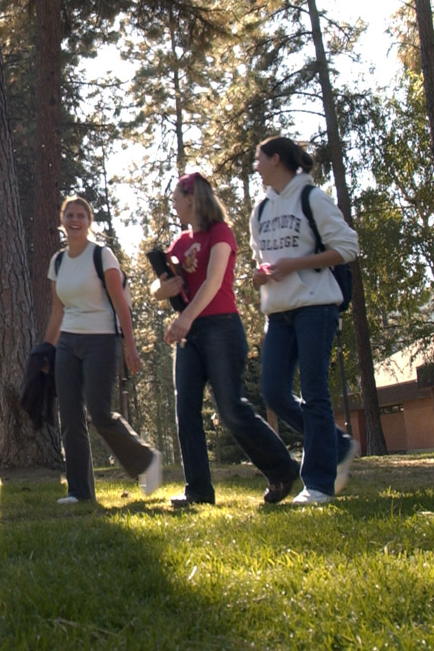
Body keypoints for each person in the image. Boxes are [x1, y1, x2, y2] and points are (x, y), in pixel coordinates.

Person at [153, 172, 301, 507]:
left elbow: (213, 281)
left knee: (231, 410)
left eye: (177, 197)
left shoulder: (220, 233)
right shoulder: (180, 242)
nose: (173, 204)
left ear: (192, 197)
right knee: (186, 411)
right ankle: (198, 491)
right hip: (191, 335)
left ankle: (283, 469)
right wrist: (164, 289)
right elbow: (158, 285)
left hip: (221, 327)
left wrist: (185, 318)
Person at [248, 136, 362, 506]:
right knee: (274, 391)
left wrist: (295, 264)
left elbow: (347, 247)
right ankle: (338, 444)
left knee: (315, 392)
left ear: (276, 159)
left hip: (316, 306)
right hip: (278, 313)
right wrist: (262, 274)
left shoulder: (312, 198)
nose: (256, 165)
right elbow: (263, 256)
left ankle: (318, 485)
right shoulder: (260, 209)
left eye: (259, 159)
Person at [45, 195, 163, 504]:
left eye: (81, 215)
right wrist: (47, 349)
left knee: (99, 412)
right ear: (62, 220)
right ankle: (79, 492)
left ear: (89, 221)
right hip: (68, 343)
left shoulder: (102, 255)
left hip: (102, 339)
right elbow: (57, 312)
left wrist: (130, 346)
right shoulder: (57, 262)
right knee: (70, 417)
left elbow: (121, 304)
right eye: (69, 214)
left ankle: (146, 460)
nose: (75, 219)